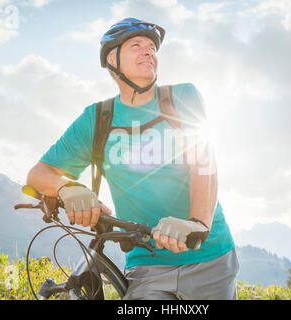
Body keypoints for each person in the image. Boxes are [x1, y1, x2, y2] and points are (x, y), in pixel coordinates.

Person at [26, 17, 238, 300]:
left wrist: (198, 223)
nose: (148, 51)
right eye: (137, 45)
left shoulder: (182, 97)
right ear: (112, 60)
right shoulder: (97, 119)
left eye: (152, 47)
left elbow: (204, 162)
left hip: (210, 258)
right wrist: (67, 187)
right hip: (147, 265)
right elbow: (38, 174)